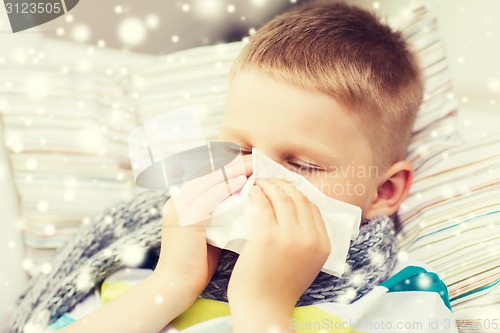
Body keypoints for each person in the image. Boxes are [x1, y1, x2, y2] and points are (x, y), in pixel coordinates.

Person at [51, 0, 424, 332]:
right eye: (241, 149)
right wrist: (172, 283)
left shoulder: (402, 304)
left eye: (302, 164)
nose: (257, 180)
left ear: (384, 190)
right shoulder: (138, 270)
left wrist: (264, 307)